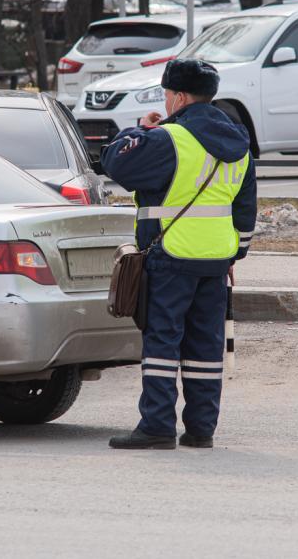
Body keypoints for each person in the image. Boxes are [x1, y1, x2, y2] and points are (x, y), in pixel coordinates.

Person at [103, 59, 258, 450]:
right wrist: (234, 255)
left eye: (167, 94)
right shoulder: (238, 142)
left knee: (162, 342)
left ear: (179, 96)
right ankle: (201, 430)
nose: (167, 100)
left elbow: (115, 161)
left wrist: (141, 129)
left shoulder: (169, 138)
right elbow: (245, 208)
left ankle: (156, 427)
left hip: (170, 256)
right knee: (205, 347)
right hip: (216, 261)